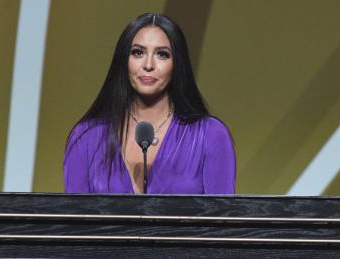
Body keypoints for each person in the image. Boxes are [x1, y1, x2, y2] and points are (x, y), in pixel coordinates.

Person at [63, 13, 235, 194]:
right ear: (123, 60)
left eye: (162, 54)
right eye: (138, 52)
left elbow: (222, 219)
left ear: (177, 64)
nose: (148, 64)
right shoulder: (85, 138)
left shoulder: (211, 136)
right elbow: (74, 219)